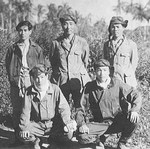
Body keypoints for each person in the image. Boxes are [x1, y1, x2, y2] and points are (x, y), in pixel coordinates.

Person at [75, 59, 142, 149]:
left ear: (109, 71)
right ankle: (98, 140)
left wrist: (134, 110)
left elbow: (135, 94)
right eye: (99, 70)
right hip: (100, 123)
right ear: (95, 71)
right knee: (81, 136)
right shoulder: (89, 87)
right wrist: (81, 124)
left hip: (117, 121)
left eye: (105, 70)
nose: (102, 73)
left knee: (134, 120)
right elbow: (80, 107)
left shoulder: (117, 83)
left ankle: (122, 143)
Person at [5, 21, 45, 146]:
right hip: (17, 80)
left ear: (30, 31)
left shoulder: (36, 48)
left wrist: (36, 81)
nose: (23, 33)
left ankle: (35, 139)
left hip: (31, 80)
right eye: (20, 30)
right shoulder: (13, 48)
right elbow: (8, 64)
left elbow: (42, 66)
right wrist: (13, 77)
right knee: (17, 109)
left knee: (32, 109)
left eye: (25, 30)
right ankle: (18, 138)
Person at [19, 64, 77, 149]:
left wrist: (67, 121)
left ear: (46, 76)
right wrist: (24, 128)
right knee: (22, 135)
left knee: (68, 133)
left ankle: (53, 140)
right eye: (36, 78)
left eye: (42, 77)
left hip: (53, 124)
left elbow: (64, 108)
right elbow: (25, 112)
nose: (39, 81)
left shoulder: (55, 89)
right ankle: (36, 140)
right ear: (33, 78)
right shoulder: (29, 92)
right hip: (37, 124)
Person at [49, 14, 90, 109]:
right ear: (62, 26)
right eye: (65, 24)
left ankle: (80, 123)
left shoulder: (82, 42)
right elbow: (53, 61)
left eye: (71, 24)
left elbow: (85, 62)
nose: (68, 27)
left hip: (77, 80)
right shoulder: (56, 43)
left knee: (79, 107)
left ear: (75, 25)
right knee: (61, 107)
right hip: (62, 80)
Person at [103, 16, 138, 88]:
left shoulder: (131, 44)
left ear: (123, 28)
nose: (115, 29)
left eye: (118, 27)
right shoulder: (106, 45)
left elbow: (133, 64)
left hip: (126, 81)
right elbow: (104, 63)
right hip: (111, 81)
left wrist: (128, 76)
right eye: (113, 27)